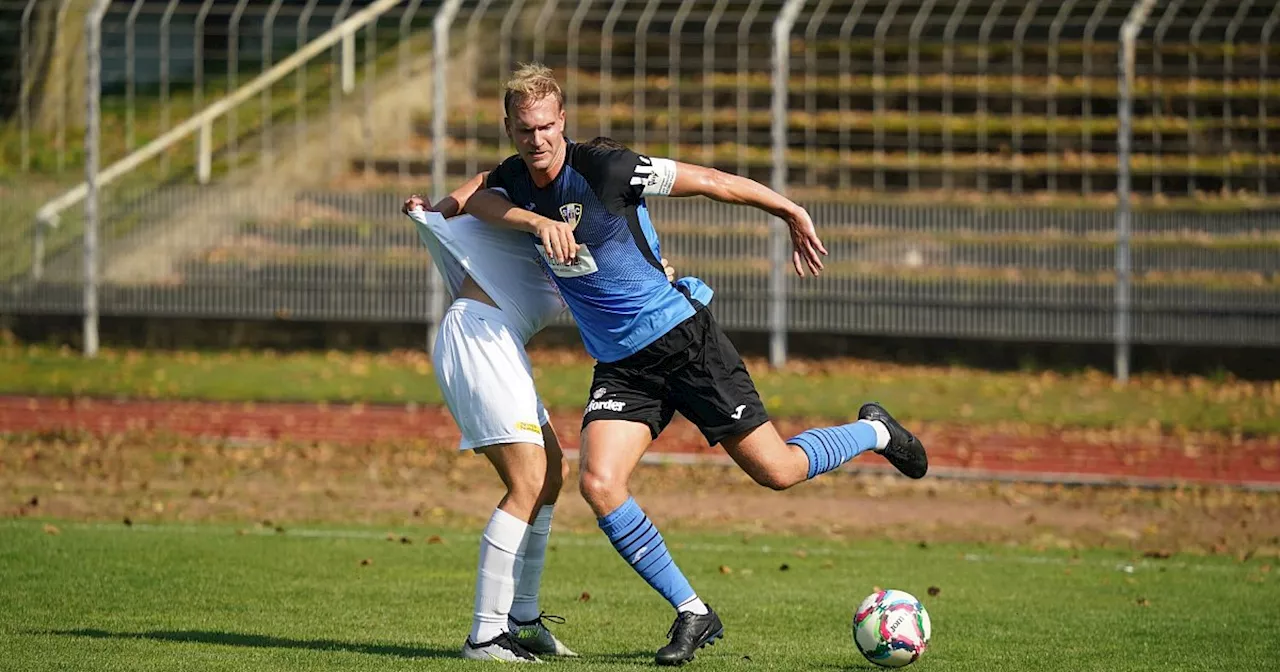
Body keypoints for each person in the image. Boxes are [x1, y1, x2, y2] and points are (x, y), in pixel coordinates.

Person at [463, 63, 929, 666]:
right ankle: (692, 611)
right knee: (599, 485)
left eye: (547, 127)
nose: (537, 140)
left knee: (777, 470)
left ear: (563, 121)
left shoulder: (606, 167)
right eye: (525, 129)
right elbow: (474, 197)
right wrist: (452, 211)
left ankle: (876, 430)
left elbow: (709, 180)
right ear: (509, 128)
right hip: (621, 366)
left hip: (684, 341)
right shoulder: (515, 181)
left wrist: (788, 210)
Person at [403, 160, 686, 664]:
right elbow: (484, 184)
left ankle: (524, 620)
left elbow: (620, 295)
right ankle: (485, 637)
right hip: (477, 334)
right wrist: (441, 208)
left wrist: (652, 278)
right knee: (528, 481)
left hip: (501, 341)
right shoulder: (528, 210)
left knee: (551, 473)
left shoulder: (594, 250)